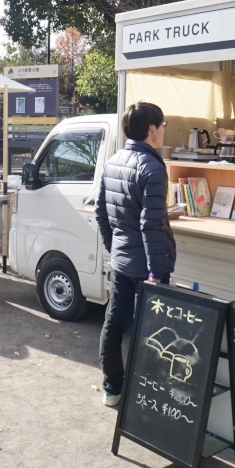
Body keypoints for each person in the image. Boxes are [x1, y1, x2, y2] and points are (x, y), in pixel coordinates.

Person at [94, 101, 175, 407]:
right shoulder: (153, 167)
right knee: (154, 334)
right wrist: (155, 272)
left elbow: (101, 214)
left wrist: (113, 249)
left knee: (114, 323)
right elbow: (151, 225)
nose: (164, 130)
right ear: (152, 129)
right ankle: (149, 396)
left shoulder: (113, 161)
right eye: (163, 125)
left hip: (122, 262)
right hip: (148, 267)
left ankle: (112, 389)